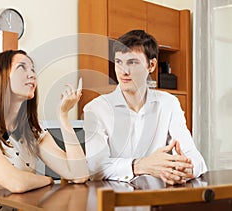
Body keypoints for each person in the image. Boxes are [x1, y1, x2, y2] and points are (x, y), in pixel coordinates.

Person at [0, 50, 89, 211]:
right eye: (22, 68)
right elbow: (15, 183)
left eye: (33, 69)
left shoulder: (31, 129)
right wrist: (48, 180)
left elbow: (79, 174)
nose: (32, 75)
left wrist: (63, 116)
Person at [83, 30, 207, 185]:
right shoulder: (96, 109)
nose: (123, 72)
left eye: (132, 62)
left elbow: (196, 158)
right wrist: (142, 165)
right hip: (113, 198)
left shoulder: (169, 103)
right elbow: (96, 169)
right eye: (119, 62)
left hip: (158, 197)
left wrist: (185, 168)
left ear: (152, 65)